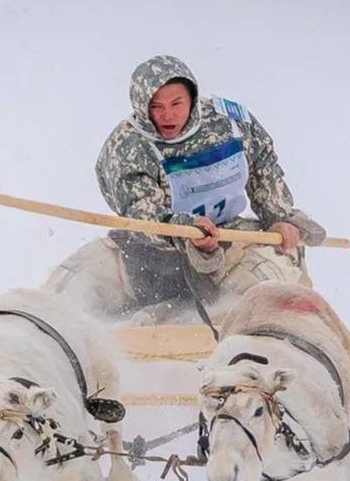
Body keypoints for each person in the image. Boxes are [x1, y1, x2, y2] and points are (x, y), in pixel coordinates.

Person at [94, 55, 327, 320]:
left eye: (176, 103)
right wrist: (186, 231)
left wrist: (280, 216)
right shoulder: (128, 146)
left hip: (233, 240)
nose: (167, 115)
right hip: (158, 255)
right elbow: (140, 211)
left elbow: (262, 163)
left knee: (279, 272)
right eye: (156, 107)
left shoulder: (230, 122)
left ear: (192, 97)